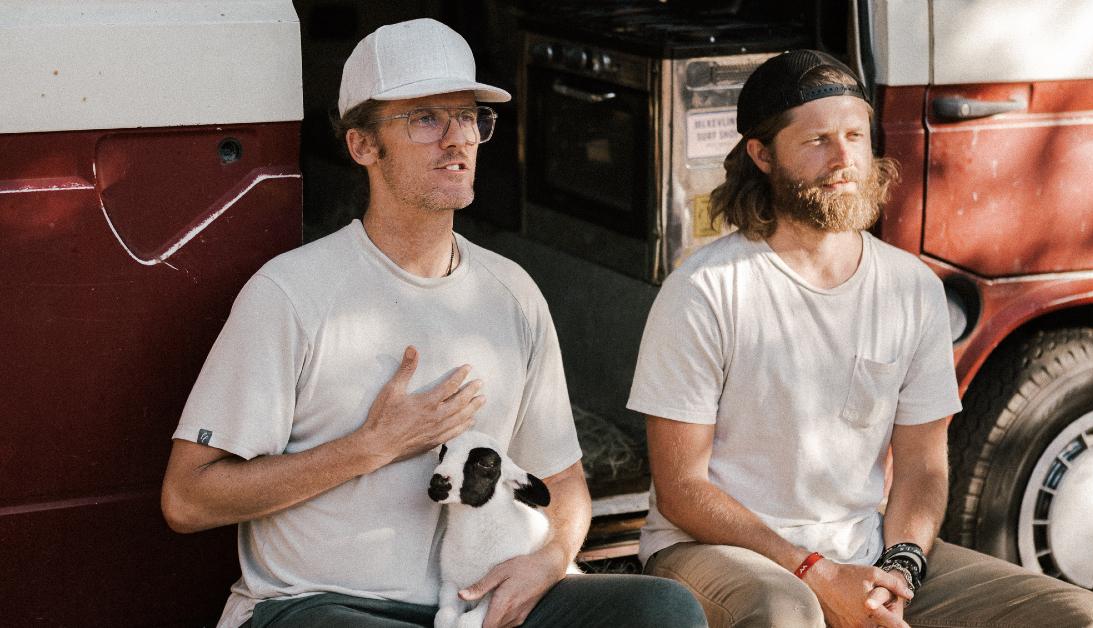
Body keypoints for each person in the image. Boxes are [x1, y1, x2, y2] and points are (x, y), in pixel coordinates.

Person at [161, 18, 705, 628]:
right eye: (425, 118)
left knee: (663, 608)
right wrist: (369, 448)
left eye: (469, 117)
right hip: (319, 605)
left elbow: (564, 482)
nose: (458, 139)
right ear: (363, 146)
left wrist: (548, 560)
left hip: (473, 605)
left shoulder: (512, 293)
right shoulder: (290, 294)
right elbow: (187, 498)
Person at [627, 49, 1093, 628]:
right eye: (817, 141)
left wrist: (902, 567)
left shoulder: (910, 287)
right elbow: (681, 489)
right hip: (714, 551)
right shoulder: (706, 289)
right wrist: (814, 569)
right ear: (762, 155)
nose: (844, 159)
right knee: (785, 612)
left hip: (866, 553)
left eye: (854, 135)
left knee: (1089, 620)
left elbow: (921, 464)